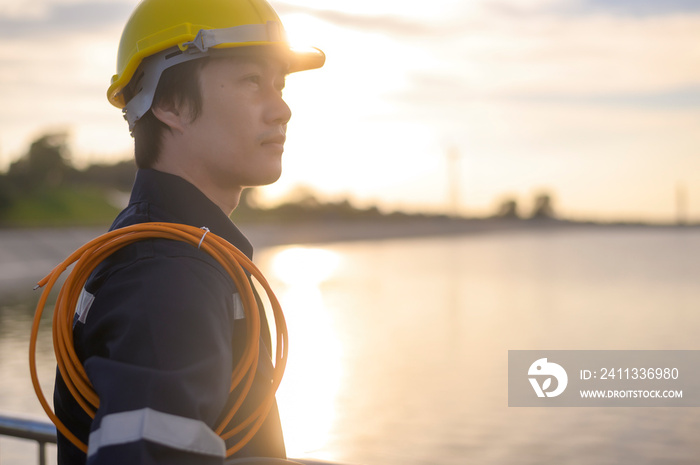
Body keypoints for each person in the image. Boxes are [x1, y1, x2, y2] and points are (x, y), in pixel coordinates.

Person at [53, 0, 324, 464]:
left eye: (279, 85)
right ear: (170, 103)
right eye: (252, 81)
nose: (282, 109)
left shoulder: (173, 251)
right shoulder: (167, 276)